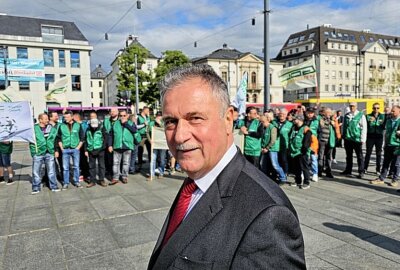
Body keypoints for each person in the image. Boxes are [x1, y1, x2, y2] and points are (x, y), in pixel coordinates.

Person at [148, 65, 305, 269]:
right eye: (170, 121)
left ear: (228, 119)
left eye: (195, 118)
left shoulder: (268, 217)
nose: (179, 135)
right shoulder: (196, 180)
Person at [29, 113, 60, 194]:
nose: (47, 120)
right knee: (36, 171)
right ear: (40, 120)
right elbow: (31, 142)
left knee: (51, 171)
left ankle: (54, 186)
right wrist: (34, 153)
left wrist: (55, 150)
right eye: (45, 119)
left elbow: (55, 139)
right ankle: (36, 188)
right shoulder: (34, 129)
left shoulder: (51, 128)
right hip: (38, 153)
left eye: (47, 119)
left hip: (49, 152)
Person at [370, 105, 400, 186]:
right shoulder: (389, 120)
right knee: (386, 162)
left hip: (397, 145)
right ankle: (381, 178)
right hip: (388, 145)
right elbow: (386, 133)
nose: (392, 112)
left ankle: (395, 180)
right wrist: (385, 144)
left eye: (394, 111)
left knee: (397, 164)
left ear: (399, 111)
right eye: (392, 111)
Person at [108, 110, 137, 185]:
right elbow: (110, 135)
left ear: (127, 116)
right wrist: (110, 145)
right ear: (119, 116)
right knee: (115, 163)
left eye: (124, 115)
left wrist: (126, 124)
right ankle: (115, 178)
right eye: (121, 115)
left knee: (126, 163)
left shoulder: (131, 123)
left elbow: (134, 131)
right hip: (117, 146)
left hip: (127, 146)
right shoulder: (115, 124)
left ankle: (124, 177)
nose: (122, 117)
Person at [57, 111, 84, 189]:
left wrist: (78, 147)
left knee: (76, 166)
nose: (65, 119)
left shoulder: (78, 125)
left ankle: (76, 182)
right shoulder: (61, 126)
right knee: (65, 167)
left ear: (72, 117)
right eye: (64, 117)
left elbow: (82, 138)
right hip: (65, 149)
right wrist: (62, 148)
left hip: (75, 149)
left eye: (67, 117)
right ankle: (66, 183)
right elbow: (59, 138)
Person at [341, 102, 367, 178]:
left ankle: (361, 171)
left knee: (359, 156)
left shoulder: (360, 115)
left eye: (353, 106)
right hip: (348, 139)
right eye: (351, 106)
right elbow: (343, 126)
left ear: (356, 106)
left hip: (357, 139)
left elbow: (364, 128)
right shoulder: (346, 115)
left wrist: (363, 139)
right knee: (348, 156)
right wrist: (343, 135)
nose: (352, 107)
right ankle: (348, 170)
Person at [260, 113, 288, 185]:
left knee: (275, 164)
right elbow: (264, 138)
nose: (262, 123)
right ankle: (264, 178)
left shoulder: (272, 127)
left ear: (266, 121)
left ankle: (283, 177)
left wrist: (267, 148)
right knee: (263, 164)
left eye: (263, 122)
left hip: (272, 148)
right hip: (265, 148)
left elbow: (273, 140)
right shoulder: (264, 128)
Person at [84, 113, 108, 188]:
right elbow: (85, 139)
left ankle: (101, 180)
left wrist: (102, 148)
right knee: (91, 166)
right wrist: (86, 150)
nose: (93, 128)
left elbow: (105, 139)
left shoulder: (102, 127)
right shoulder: (87, 128)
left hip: (100, 150)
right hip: (91, 150)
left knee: (102, 166)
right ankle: (92, 181)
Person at [289, 114, 312, 189]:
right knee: (296, 167)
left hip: (302, 151)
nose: (293, 121)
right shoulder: (293, 128)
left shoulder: (305, 129)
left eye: (295, 119)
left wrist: (304, 149)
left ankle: (306, 182)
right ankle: (298, 180)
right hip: (294, 151)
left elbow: (307, 140)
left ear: (299, 120)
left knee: (304, 167)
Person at [317, 108, 340, 179]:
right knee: (320, 157)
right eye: (327, 113)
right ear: (324, 113)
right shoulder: (320, 119)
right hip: (322, 140)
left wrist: (334, 124)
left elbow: (337, 129)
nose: (329, 114)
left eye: (330, 113)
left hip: (330, 141)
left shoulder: (333, 120)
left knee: (329, 157)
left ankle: (328, 172)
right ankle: (319, 171)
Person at [364, 103, 385, 175]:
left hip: (379, 137)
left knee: (378, 154)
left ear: (379, 109)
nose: (376, 109)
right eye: (375, 108)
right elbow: (365, 127)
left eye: (377, 108)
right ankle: (365, 168)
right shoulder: (368, 116)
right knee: (368, 153)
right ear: (372, 108)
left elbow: (385, 126)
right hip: (370, 137)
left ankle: (378, 169)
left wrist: (381, 124)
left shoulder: (383, 116)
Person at [273, 108, 293, 175]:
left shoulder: (290, 124)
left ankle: (285, 173)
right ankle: (277, 174)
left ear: (286, 115)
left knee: (284, 160)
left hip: (284, 145)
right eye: (281, 113)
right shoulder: (274, 122)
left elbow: (291, 136)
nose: (282, 115)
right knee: (276, 161)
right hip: (275, 145)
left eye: (284, 114)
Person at [148, 111, 167, 179]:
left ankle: (161, 172)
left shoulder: (165, 123)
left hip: (162, 144)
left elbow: (166, 130)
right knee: (153, 159)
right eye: (157, 115)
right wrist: (149, 139)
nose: (158, 117)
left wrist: (160, 123)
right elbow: (147, 131)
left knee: (162, 159)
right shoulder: (151, 123)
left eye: (160, 116)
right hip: (154, 143)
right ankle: (151, 173)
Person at [103, 107, 119, 178]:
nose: (112, 112)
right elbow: (104, 130)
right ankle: (109, 171)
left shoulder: (120, 120)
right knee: (109, 158)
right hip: (108, 142)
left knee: (118, 159)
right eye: (111, 111)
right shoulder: (106, 120)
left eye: (114, 111)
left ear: (117, 112)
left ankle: (118, 173)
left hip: (118, 141)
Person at [305, 107, 319, 182]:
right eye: (308, 112)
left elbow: (319, 131)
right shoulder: (304, 120)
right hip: (305, 141)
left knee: (313, 158)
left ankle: (315, 173)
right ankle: (305, 172)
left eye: (311, 113)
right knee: (305, 158)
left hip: (313, 141)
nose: (310, 114)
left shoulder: (316, 121)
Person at [137, 106, 151, 171]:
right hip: (141, 136)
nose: (148, 112)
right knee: (140, 151)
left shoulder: (148, 117)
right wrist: (143, 124)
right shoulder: (138, 117)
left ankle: (151, 165)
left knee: (150, 150)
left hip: (148, 136)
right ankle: (140, 165)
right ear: (144, 110)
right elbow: (135, 126)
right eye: (147, 111)